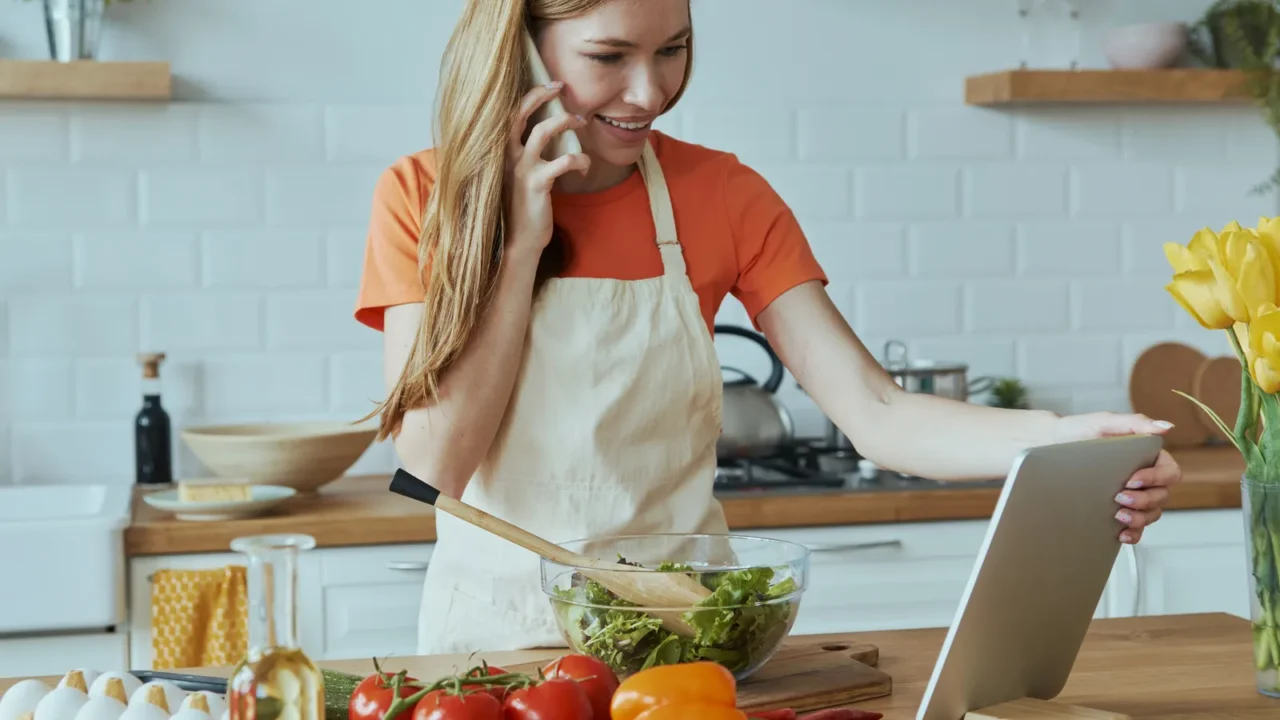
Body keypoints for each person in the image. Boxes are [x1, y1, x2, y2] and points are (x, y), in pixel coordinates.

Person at [353, 0, 1183, 655]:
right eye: (609, 57)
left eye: (673, 48)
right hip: (497, 657)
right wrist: (520, 246)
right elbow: (433, 466)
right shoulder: (425, 198)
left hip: (692, 645)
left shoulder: (724, 195)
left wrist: (1074, 439)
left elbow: (880, 415)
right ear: (522, 47)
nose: (649, 92)